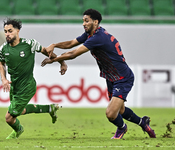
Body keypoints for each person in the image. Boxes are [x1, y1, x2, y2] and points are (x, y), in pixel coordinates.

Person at [41, 9, 156, 139]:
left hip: (123, 78)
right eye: (83, 21)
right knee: (121, 110)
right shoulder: (91, 34)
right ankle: (143, 122)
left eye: (87, 21)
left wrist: (54, 59)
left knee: (111, 114)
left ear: (95, 22)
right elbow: (71, 43)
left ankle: (122, 127)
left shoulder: (98, 38)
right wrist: (54, 45)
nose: (84, 24)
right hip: (111, 77)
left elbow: (73, 54)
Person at [0, 18, 67, 139]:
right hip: (14, 86)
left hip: (27, 85)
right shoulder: (3, 48)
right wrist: (3, 79)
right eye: (5, 31)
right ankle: (49, 108)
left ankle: (18, 130)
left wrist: (62, 62)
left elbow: (47, 52)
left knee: (9, 117)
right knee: (18, 111)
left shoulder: (29, 44)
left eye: (10, 31)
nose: (7, 34)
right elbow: (1, 64)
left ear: (17, 31)